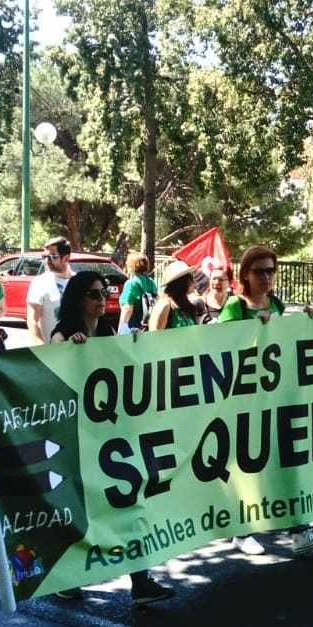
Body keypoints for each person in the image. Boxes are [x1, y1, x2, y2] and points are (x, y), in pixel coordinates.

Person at [49, 271, 177, 606]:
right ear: (78, 299)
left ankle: (141, 582)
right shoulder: (62, 335)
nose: (102, 298)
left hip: (111, 436)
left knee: (127, 503)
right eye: (94, 294)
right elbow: (53, 378)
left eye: (104, 292)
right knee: (83, 509)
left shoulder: (106, 331)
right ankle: (69, 576)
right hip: (79, 438)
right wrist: (71, 352)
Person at [218, 245, 313, 555]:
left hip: (277, 398)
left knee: (287, 461)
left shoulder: (278, 304)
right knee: (247, 467)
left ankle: (300, 531)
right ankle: (242, 531)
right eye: (259, 271)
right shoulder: (235, 306)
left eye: (271, 270)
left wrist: (309, 322)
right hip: (244, 400)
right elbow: (221, 345)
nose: (266, 277)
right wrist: (253, 328)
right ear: (246, 274)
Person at [26, 236, 74, 344]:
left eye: (52, 257)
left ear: (66, 258)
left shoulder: (79, 281)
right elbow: (32, 321)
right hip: (52, 349)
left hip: (78, 348)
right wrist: (41, 347)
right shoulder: (40, 283)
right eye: (45, 257)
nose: (47, 261)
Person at [147, 260, 205, 331]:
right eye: (190, 279)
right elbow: (154, 334)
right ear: (182, 282)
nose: (194, 283)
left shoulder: (186, 304)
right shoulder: (164, 305)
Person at [118, 251, 158, 332]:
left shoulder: (131, 284)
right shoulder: (151, 282)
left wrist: (121, 331)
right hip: (148, 329)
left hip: (134, 330)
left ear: (131, 266)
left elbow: (127, 309)